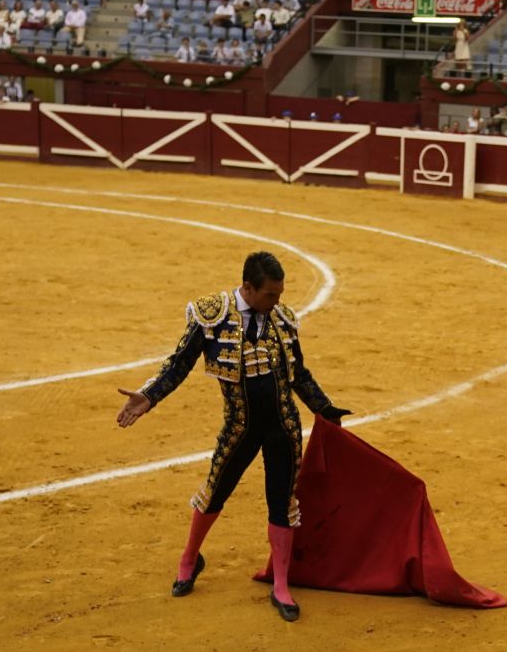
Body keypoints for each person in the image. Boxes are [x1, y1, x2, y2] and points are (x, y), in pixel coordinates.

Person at [115, 251, 351, 621]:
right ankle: (190, 558)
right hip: (239, 425)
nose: (277, 301)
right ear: (248, 287)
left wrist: (325, 408)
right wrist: (149, 395)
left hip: (283, 426)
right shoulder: (212, 315)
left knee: (281, 501)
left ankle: (282, 585)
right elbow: (179, 363)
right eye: (270, 294)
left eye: (280, 293)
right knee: (214, 492)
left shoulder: (282, 319)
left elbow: (299, 374)